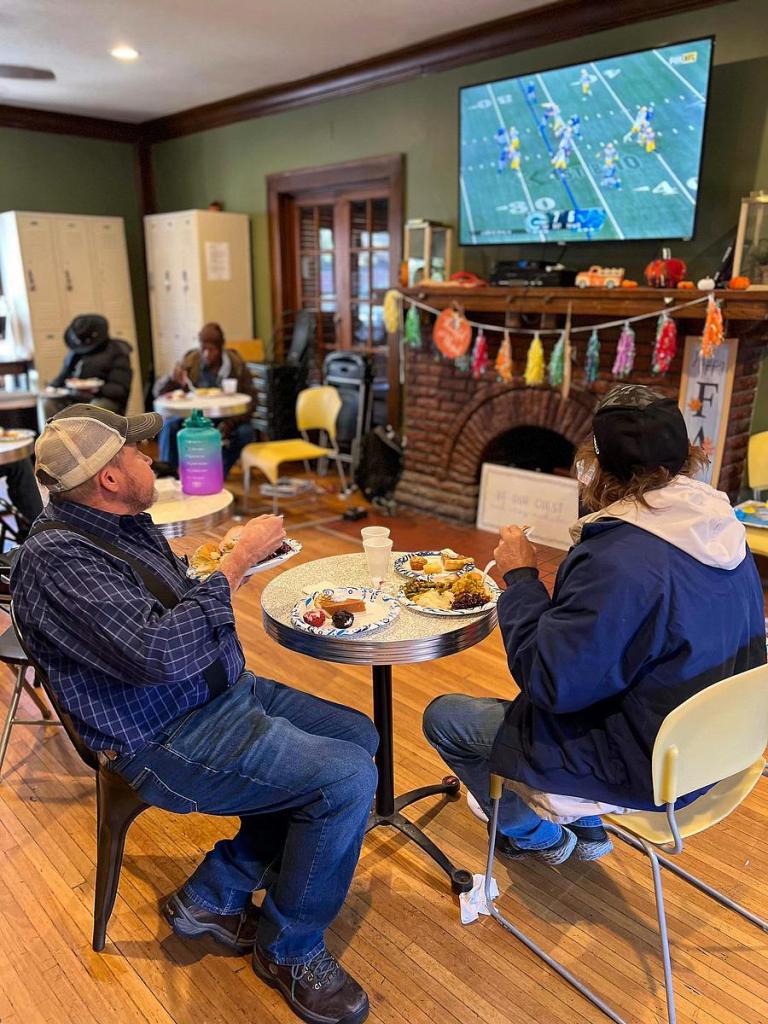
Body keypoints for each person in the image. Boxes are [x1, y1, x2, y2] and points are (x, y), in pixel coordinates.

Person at [11, 404, 376, 1024]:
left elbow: (161, 603)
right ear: (108, 477)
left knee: (358, 735)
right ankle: (289, 951)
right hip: (163, 735)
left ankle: (213, 893)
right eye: (136, 453)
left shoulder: (122, 521)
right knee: (346, 778)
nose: (150, 458)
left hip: (220, 694)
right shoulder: (55, 562)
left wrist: (213, 567)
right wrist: (234, 563)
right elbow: (160, 652)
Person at [423, 385, 766, 866]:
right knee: (608, 675)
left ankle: (537, 835)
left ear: (599, 468)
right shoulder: (721, 525)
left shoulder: (620, 559)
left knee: (446, 717)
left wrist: (521, 575)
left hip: (644, 767)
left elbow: (549, 681)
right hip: (718, 752)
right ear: (685, 457)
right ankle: (586, 831)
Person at [154, 322, 256, 477]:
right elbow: (159, 392)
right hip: (193, 418)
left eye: (212, 349)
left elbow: (251, 401)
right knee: (169, 426)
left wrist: (230, 423)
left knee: (246, 433)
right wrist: (172, 379)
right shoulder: (190, 361)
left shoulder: (236, 365)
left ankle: (216, 473)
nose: (207, 354)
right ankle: (169, 475)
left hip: (226, 419)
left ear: (221, 348)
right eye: (204, 349)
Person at [43, 314, 133, 420]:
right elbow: (63, 376)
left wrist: (95, 389)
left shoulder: (117, 352)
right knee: (50, 404)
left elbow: (120, 389)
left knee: (94, 410)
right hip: (75, 398)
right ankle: (59, 436)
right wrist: (52, 387)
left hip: (103, 398)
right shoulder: (74, 353)